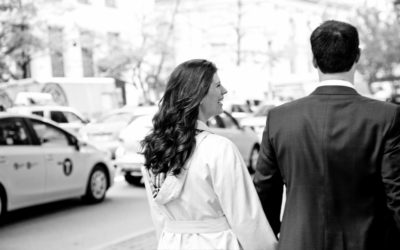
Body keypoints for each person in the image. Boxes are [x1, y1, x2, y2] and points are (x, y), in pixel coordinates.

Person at [254, 20, 400, 250]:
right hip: (368, 242)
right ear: (357, 56)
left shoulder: (279, 118)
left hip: (298, 242)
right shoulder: (386, 116)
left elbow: (265, 192)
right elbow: (396, 193)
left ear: (313, 60)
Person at [141, 59, 277, 250]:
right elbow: (245, 217)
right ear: (200, 93)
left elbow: (158, 216)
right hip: (217, 242)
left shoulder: (155, 149)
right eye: (218, 85)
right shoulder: (219, 149)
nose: (225, 91)